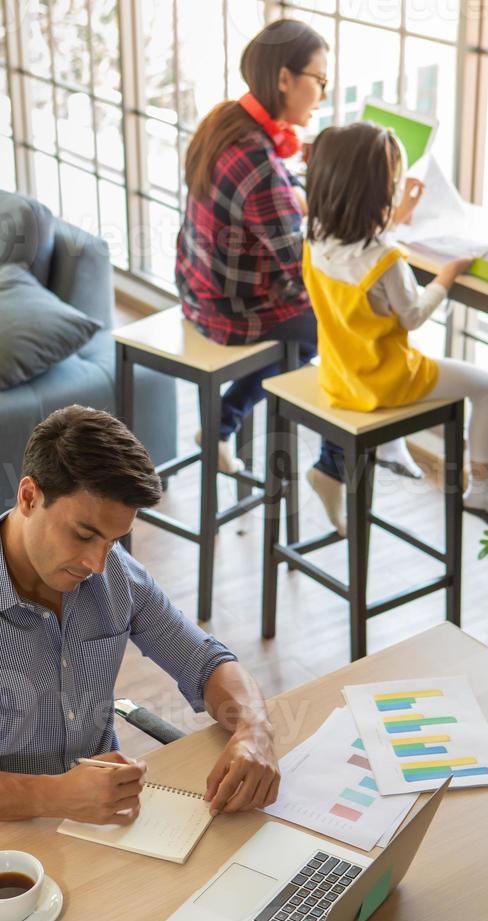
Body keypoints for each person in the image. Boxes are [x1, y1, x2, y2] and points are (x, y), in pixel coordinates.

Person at [0, 406, 280, 844]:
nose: (97, 563)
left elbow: (205, 661)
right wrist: (57, 795)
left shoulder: (116, 575)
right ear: (29, 497)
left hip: (102, 821)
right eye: (84, 535)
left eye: (113, 541)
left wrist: (255, 729)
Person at [175, 17, 423, 536]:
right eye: (320, 81)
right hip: (235, 310)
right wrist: (382, 226)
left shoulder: (227, 121)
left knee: (312, 330)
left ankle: (222, 423)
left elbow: (277, 218)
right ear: (285, 78)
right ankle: (332, 465)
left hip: (199, 292)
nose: (322, 93)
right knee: (339, 322)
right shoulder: (259, 161)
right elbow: (307, 270)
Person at [303, 122, 488, 522]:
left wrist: (397, 218)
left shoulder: (316, 238)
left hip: (340, 375)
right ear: (375, 192)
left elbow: (357, 247)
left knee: (416, 357)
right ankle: (481, 491)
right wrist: (447, 275)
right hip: (385, 382)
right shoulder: (386, 259)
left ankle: (391, 447)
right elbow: (412, 316)